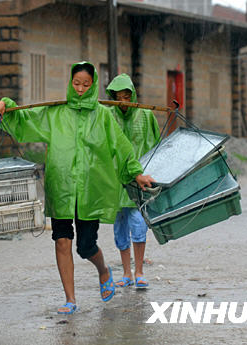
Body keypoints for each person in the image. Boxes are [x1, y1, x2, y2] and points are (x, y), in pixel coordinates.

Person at [0, 62, 154, 315]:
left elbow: (121, 148)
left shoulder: (103, 115)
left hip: (90, 191)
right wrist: (5, 104)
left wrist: (136, 173)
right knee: (62, 241)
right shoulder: (56, 113)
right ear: (70, 82)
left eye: (86, 84)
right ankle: (70, 299)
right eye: (76, 83)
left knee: (85, 246)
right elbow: (24, 120)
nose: (80, 89)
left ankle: (103, 270)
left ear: (93, 85)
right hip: (61, 187)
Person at [105, 73, 160, 289]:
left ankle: (139, 271)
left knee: (138, 225)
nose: (123, 102)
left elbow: (156, 144)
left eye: (127, 96)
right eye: (119, 97)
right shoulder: (108, 115)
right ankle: (126, 272)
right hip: (117, 179)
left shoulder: (145, 116)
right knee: (120, 227)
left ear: (133, 95)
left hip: (140, 179)